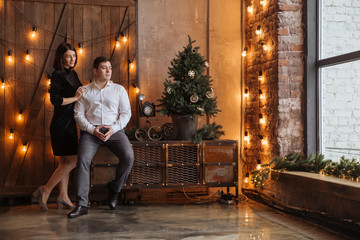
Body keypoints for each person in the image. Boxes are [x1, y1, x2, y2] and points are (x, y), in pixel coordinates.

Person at [68, 56, 134, 218]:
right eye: (104, 67)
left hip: (115, 130)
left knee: (129, 156)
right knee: (82, 159)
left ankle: (115, 190)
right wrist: (92, 130)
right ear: (95, 70)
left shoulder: (119, 90)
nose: (108, 70)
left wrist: (114, 128)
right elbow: (78, 115)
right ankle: (82, 204)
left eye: (110, 67)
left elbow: (126, 114)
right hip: (91, 132)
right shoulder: (85, 91)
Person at [33, 42, 85, 210]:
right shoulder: (57, 75)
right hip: (61, 124)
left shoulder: (73, 73)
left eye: (74, 56)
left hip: (70, 122)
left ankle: (63, 196)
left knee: (64, 161)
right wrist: (75, 99)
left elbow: (81, 91)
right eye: (68, 56)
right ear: (61, 58)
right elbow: (55, 100)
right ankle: (46, 190)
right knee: (73, 160)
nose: (72, 59)